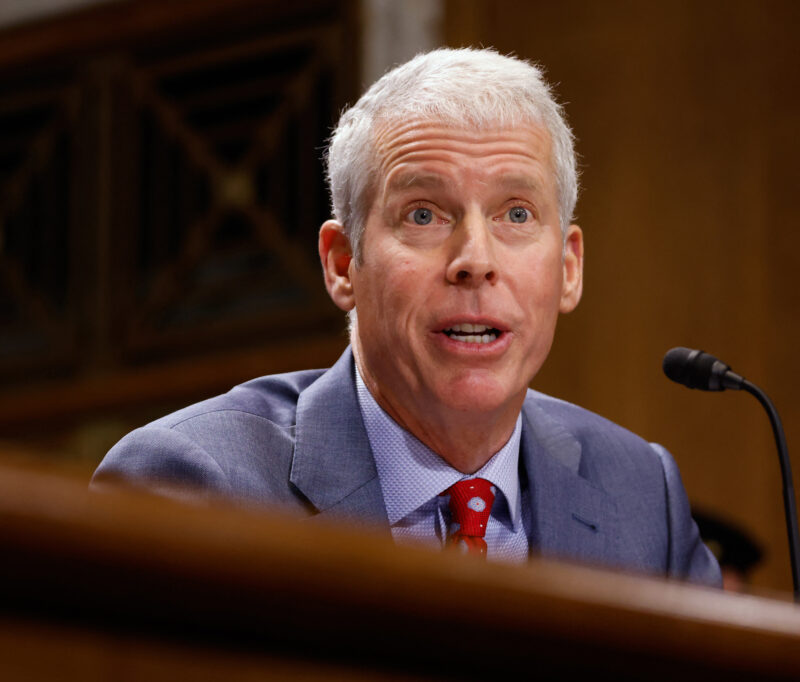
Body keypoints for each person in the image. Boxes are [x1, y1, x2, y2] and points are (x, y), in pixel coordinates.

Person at [93, 48, 720, 586]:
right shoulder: (198, 488)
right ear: (343, 264)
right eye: (424, 214)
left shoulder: (643, 498)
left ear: (569, 268)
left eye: (517, 214)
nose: (475, 260)